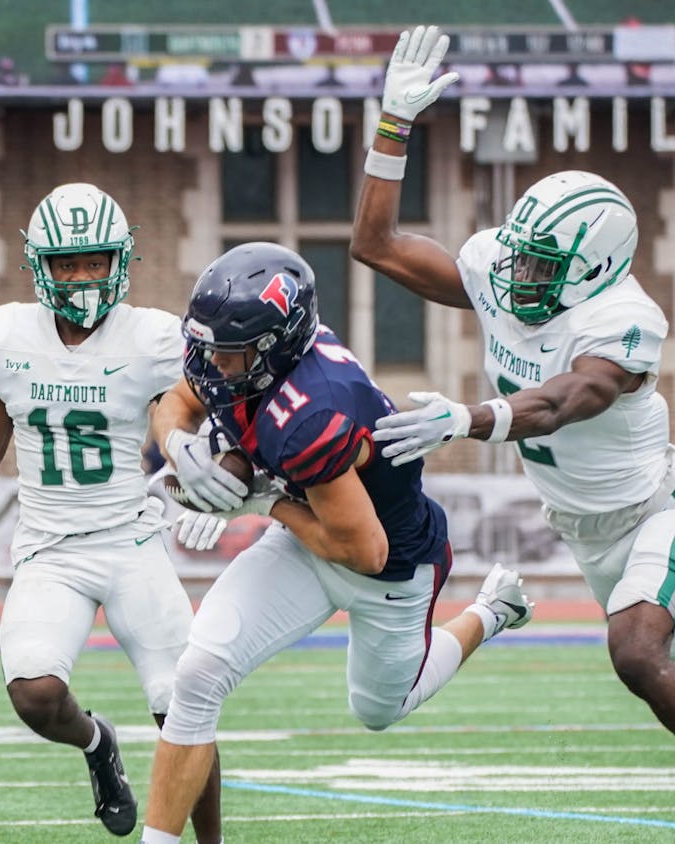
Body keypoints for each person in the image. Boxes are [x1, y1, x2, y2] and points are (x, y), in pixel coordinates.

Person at [349, 25, 675, 844]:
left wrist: (471, 418)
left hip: (663, 506)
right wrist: (391, 130)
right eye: (517, 259)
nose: (516, 276)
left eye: (541, 267)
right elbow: (373, 244)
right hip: (590, 530)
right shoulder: (505, 269)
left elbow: (566, 400)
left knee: (635, 652)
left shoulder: (624, 319)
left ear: (594, 269)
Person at [137, 242, 534, 844]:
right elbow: (180, 400)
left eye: (231, 354)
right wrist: (181, 451)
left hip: (389, 565)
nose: (216, 365)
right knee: (198, 674)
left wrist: (260, 500)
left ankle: (490, 611)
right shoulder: (242, 357)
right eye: (210, 348)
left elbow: (362, 551)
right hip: (309, 533)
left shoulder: (313, 411)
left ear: (277, 348)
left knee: (379, 710)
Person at [0, 182, 222, 840]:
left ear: (119, 262)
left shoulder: (155, 338)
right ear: (39, 267)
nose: (80, 277)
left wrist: (220, 482)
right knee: (34, 696)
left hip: (132, 542)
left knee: (180, 704)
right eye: (66, 264)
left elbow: (220, 414)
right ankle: (99, 744)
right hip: (49, 550)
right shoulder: (10, 338)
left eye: (94, 261)